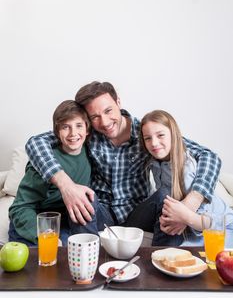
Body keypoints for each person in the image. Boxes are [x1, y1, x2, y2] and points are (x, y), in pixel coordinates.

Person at [25, 81, 221, 245]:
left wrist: (191, 202)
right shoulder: (88, 132)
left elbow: (209, 156)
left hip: (137, 214)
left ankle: (163, 263)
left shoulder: (146, 133)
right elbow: (36, 142)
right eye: (95, 117)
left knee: (164, 197)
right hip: (101, 212)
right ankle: (85, 265)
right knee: (83, 195)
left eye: (108, 110)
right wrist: (66, 185)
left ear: (118, 102)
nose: (104, 121)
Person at [140, 109, 233, 244]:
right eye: (148, 138)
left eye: (160, 135)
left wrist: (185, 217)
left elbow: (211, 221)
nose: (154, 143)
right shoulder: (155, 163)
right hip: (192, 226)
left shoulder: (187, 165)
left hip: (218, 228)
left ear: (173, 135)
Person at [9, 100, 94, 246]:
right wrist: (44, 236)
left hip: (64, 222)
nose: (73, 133)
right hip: (34, 224)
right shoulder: (46, 162)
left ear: (87, 129)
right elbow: (20, 208)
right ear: (57, 132)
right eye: (65, 127)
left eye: (78, 125)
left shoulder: (91, 152)